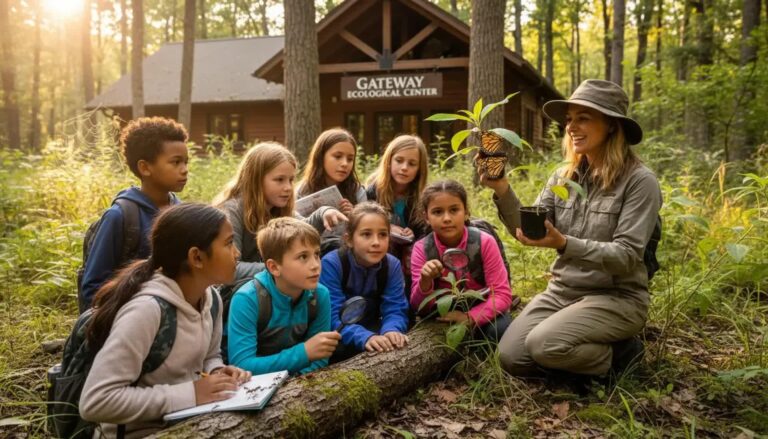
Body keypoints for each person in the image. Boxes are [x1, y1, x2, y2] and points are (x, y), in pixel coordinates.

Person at [484, 79, 662, 377]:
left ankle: (621, 356)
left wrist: (565, 244)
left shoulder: (639, 181)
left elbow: (626, 256)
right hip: (563, 290)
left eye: (583, 118)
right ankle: (572, 351)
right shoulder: (562, 177)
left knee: (543, 344)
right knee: (511, 356)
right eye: (569, 120)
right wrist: (501, 188)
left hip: (616, 297)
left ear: (611, 126)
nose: (571, 127)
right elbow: (529, 231)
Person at [79, 203, 251, 438]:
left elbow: (209, 356)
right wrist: (191, 394)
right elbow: (96, 401)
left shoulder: (210, 298)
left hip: (190, 422)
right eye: (229, 243)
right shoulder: (147, 311)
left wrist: (219, 372)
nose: (237, 253)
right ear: (197, 257)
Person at [79, 117, 188, 311]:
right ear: (145, 167)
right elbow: (93, 288)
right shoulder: (120, 216)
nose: (185, 170)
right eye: (176, 162)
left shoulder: (182, 212)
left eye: (186, 162)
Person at [213, 142, 347, 281]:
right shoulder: (231, 211)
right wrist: (280, 268)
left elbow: (302, 230)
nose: (288, 187)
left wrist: (323, 213)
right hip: (237, 292)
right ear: (256, 179)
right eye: (279, 180)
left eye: (291, 180)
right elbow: (230, 267)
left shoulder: (278, 208)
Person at [227, 217, 340, 375]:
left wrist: (298, 384)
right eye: (303, 257)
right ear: (274, 267)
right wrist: (304, 352)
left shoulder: (320, 295)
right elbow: (242, 365)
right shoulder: (247, 299)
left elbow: (320, 357)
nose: (315, 265)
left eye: (316, 254)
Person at [410, 180, 514, 341]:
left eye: (454, 210)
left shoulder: (484, 242)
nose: (446, 218)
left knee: (499, 330)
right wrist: (425, 280)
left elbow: (501, 294)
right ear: (426, 217)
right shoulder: (421, 248)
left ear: (466, 212)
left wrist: (470, 317)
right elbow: (419, 307)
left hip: (482, 303)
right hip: (443, 309)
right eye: (437, 212)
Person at [319, 202, 410, 362]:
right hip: (339, 333)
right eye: (366, 234)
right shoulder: (332, 263)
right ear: (349, 240)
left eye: (383, 234)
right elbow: (332, 316)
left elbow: (395, 307)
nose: (376, 242)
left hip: (373, 327)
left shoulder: (392, 265)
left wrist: (392, 330)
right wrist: (365, 337)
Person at [296, 128, 367, 217]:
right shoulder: (302, 191)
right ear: (320, 157)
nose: (345, 164)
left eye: (350, 159)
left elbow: (366, 227)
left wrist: (354, 216)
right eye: (338, 156)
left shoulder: (357, 191)